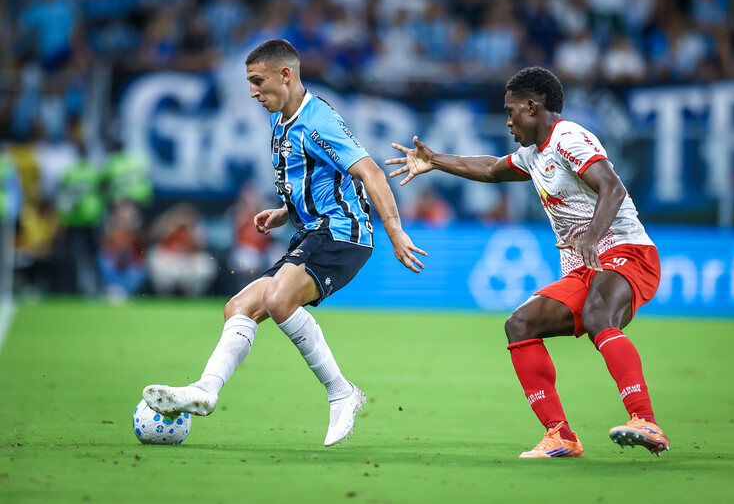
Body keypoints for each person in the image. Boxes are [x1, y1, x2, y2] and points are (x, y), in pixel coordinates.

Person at [144, 38, 426, 447]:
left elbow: (372, 174)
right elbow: (315, 181)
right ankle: (206, 389)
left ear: (285, 74)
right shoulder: (282, 119)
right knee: (238, 308)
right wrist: (284, 210)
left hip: (344, 234)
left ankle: (341, 392)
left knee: (278, 300)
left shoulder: (319, 120)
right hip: (313, 230)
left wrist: (396, 231)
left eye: (258, 82)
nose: (253, 92)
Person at [386, 66, 668, 458]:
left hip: (627, 252)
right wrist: (435, 160)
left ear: (533, 107)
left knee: (599, 315)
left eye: (511, 110)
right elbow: (490, 169)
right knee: (520, 324)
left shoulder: (569, 139)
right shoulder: (534, 153)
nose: (507, 120)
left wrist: (590, 236)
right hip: (588, 265)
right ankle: (560, 435)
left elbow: (613, 187)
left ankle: (644, 420)